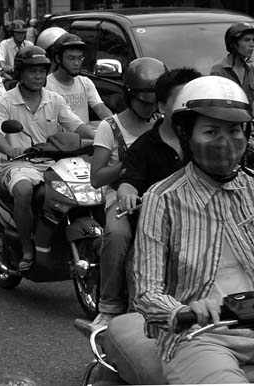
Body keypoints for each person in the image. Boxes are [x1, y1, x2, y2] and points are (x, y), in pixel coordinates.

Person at [133, 75, 254, 384]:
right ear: (186, 135)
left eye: (235, 130)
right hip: (202, 335)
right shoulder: (162, 199)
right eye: (211, 131)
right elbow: (147, 293)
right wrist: (186, 309)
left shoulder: (252, 188)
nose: (226, 143)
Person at [0, 46, 95, 271]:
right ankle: (28, 248)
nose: (38, 77)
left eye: (41, 72)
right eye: (32, 72)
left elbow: (77, 125)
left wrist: (102, 137)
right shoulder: (5, 101)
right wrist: (9, 149)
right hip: (18, 164)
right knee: (24, 190)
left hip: (52, 162)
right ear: (20, 73)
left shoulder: (54, 99)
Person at [88, 57, 167, 331]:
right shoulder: (109, 127)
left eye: (155, 102)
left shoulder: (164, 125)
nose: (151, 108)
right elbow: (96, 177)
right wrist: (129, 164)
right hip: (117, 196)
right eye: (144, 102)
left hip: (158, 197)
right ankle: (109, 305)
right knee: (118, 234)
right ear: (129, 96)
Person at [116, 67, 202, 213]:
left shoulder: (205, 141)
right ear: (161, 106)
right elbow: (128, 184)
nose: (188, 108)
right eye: (180, 101)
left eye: (192, 101)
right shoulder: (141, 148)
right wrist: (127, 196)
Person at [45, 33, 112, 127]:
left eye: (80, 58)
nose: (76, 63)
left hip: (87, 137)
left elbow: (100, 108)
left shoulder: (85, 82)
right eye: (71, 58)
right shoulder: (46, 85)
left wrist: (115, 127)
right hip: (62, 140)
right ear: (58, 59)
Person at [211, 22, 254, 107]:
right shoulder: (219, 70)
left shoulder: (251, 69)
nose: (252, 45)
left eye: (253, 40)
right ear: (233, 44)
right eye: (246, 40)